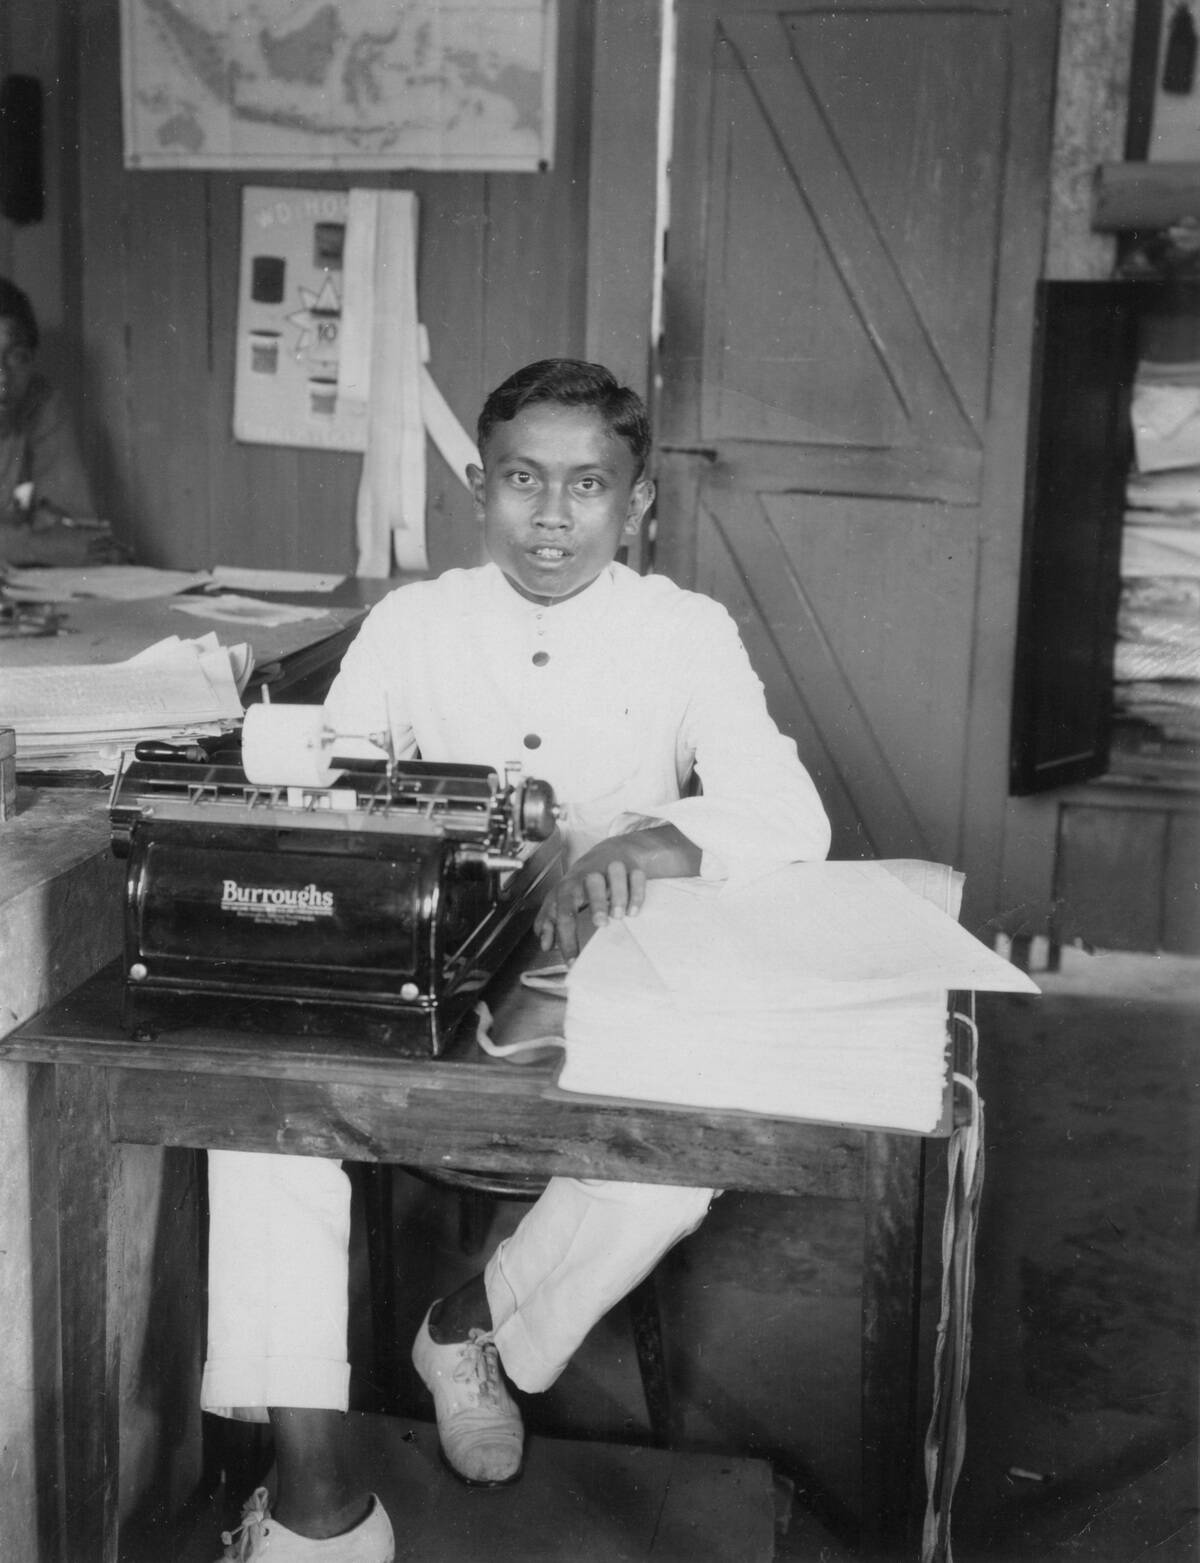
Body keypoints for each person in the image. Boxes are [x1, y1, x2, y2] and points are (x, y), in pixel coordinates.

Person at [207, 359, 832, 1561]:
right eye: (521, 482)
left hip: (602, 976)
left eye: (588, 486)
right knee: (259, 1110)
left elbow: (786, 812)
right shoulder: (416, 622)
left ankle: (471, 1324)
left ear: (639, 504)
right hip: (421, 963)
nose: (551, 518)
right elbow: (330, 777)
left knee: (679, 1155)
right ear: (479, 490)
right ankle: (317, 1497)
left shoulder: (685, 632)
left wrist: (663, 834)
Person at [0, 275, 125, 565]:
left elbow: (75, 527)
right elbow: (59, 547)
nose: (3, 377)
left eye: (17, 357)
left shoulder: (40, 403)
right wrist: (38, 545)